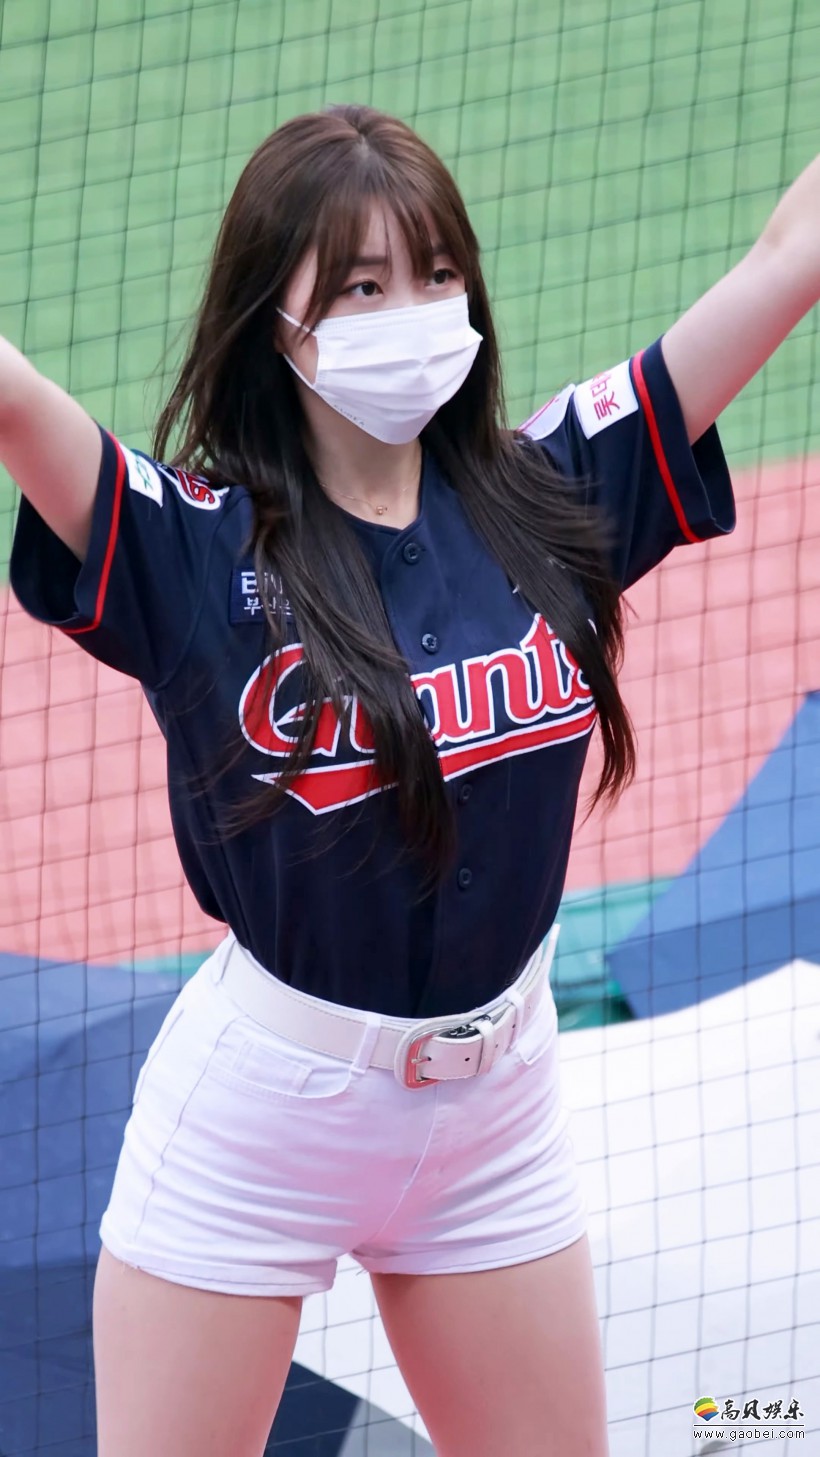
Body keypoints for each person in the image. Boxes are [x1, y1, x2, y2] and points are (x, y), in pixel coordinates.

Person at [2, 102, 817, 1457]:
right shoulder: (186, 549)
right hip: (263, 1126)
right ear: (278, 323)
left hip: (496, 1122)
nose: (415, 313)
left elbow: (789, 259)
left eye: (437, 274)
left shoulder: (558, 487)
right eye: (363, 287)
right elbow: (17, 399)